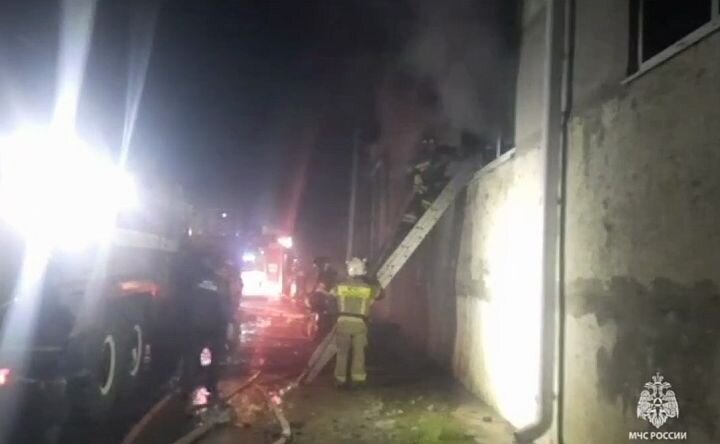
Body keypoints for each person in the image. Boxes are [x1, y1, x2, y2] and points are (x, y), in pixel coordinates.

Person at [178, 245, 234, 406]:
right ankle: (212, 388)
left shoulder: (195, 280)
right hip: (215, 327)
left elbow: (186, 302)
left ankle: (187, 388)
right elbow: (225, 307)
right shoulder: (221, 282)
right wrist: (229, 325)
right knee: (215, 357)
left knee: (192, 356)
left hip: (195, 324)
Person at [331, 257, 382, 388]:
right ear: (362, 271)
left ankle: (340, 379)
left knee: (342, 352)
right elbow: (380, 294)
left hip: (342, 322)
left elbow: (331, 293)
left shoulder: (341, 286)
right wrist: (373, 279)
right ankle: (357, 379)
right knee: (359, 352)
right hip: (359, 323)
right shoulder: (367, 287)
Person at [309, 256, 338, 339]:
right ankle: (318, 334)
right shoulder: (322, 273)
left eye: (317, 265)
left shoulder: (330, 275)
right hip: (320, 301)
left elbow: (331, 292)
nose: (316, 267)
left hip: (326, 303)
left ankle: (321, 335)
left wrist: (322, 291)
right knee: (321, 319)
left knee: (324, 321)